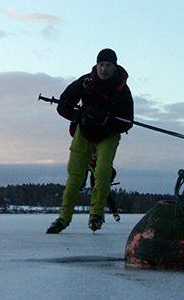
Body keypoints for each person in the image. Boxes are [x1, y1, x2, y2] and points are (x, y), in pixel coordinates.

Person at [46, 48, 133, 234]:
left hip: (108, 136)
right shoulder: (86, 82)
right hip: (83, 133)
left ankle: (96, 215)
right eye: (101, 65)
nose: (103, 69)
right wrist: (80, 116)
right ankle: (64, 218)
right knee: (75, 177)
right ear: (96, 65)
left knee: (102, 173)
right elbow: (63, 106)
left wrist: (106, 120)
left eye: (108, 65)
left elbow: (127, 122)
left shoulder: (122, 89)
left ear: (114, 67)